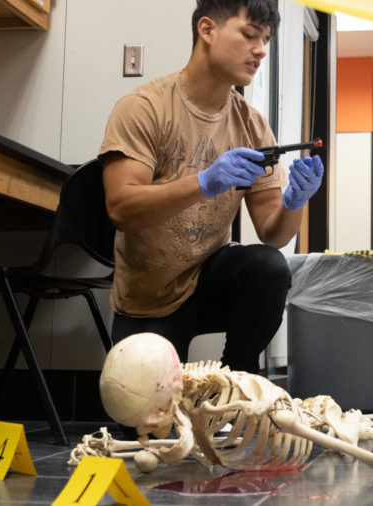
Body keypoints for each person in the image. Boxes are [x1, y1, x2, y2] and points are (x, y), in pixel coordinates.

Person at [99, 0, 323, 377]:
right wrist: (204, 183)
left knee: (268, 267)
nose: (261, 50)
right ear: (207, 30)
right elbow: (121, 208)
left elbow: (273, 233)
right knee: (146, 424)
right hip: (147, 297)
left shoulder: (251, 125)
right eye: (249, 35)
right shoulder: (144, 108)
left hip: (209, 280)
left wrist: (295, 202)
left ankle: (236, 379)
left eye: (265, 39)